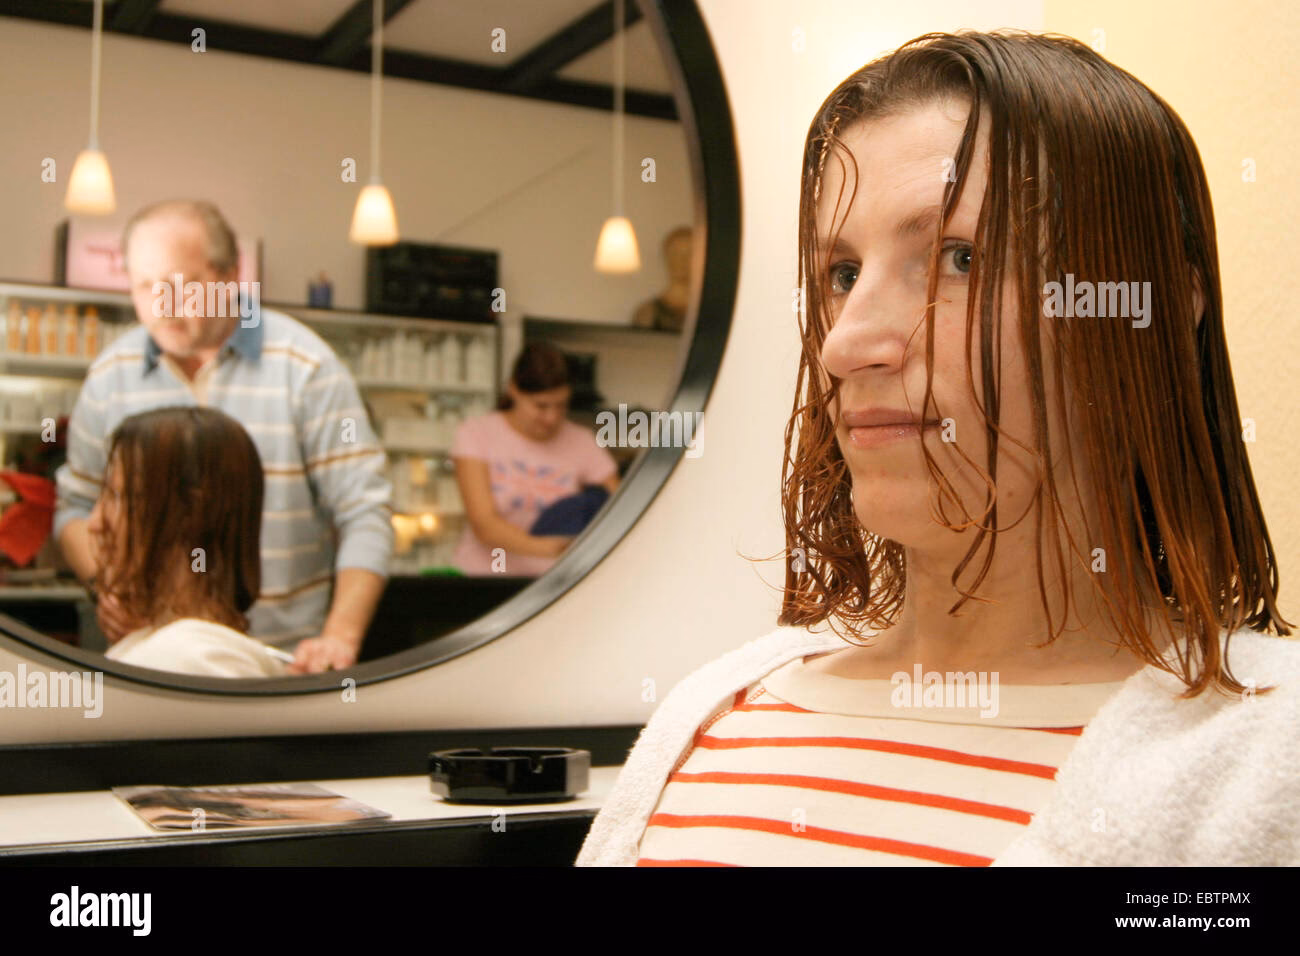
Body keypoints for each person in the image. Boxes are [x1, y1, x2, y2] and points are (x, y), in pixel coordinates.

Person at [578, 30, 1298, 867]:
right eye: (842, 273)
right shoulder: (706, 723)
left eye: (958, 258)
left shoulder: (1261, 763)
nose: (847, 344)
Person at [54, 199, 393, 674]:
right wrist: (108, 587)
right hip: (144, 658)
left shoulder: (307, 368)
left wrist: (338, 637)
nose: (162, 305)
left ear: (232, 275)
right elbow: (74, 507)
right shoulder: (111, 374)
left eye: (181, 285)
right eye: (144, 285)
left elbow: (365, 513)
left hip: (274, 660)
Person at [91, 407, 286, 678]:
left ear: (190, 516)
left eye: (117, 496)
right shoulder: (167, 650)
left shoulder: (185, 661)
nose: (95, 523)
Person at [451, 342, 619, 576]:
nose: (551, 418)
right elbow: (484, 525)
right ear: (513, 390)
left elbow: (620, 508)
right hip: (486, 578)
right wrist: (555, 548)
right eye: (541, 406)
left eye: (561, 406)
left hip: (554, 586)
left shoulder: (582, 442)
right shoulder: (477, 433)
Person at [632, 226, 692, 332]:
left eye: (689, 254)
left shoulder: (708, 312)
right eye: (675, 253)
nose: (681, 260)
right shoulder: (648, 313)